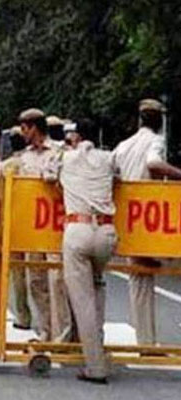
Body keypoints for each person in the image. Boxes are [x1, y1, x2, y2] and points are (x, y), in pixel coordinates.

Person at [43, 119, 115, 384]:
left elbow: (47, 174)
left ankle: (96, 367)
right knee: (97, 288)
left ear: (76, 136)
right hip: (106, 232)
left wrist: (66, 148)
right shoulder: (109, 158)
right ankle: (100, 349)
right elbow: (118, 176)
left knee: (83, 302)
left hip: (78, 230)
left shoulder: (67, 158)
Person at [112, 99, 181, 346]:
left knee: (138, 280)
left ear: (140, 119)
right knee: (144, 275)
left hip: (128, 219)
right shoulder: (156, 141)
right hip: (149, 220)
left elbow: (112, 170)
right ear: (159, 121)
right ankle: (146, 343)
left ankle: (146, 341)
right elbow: (153, 163)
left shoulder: (123, 145)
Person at [18, 108, 57, 341]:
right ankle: (45, 332)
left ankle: (63, 335)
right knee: (36, 281)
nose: (22, 133)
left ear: (34, 127)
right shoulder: (25, 157)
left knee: (58, 281)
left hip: (54, 226)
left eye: (25, 128)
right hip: (33, 226)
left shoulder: (58, 152)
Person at [0, 126, 31, 330]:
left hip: (13, 223)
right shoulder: (31, 162)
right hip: (35, 223)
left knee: (17, 273)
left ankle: (23, 316)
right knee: (40, 273)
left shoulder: (5, 166)